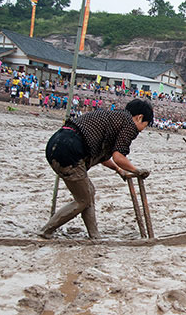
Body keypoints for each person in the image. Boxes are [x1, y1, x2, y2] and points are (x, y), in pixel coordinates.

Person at [39, 98, 154, 239]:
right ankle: (46, 230)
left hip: (58, 143)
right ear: (139, 117)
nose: (142, 130)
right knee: (83, 200)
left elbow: (104, 158)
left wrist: (119, 170)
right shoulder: (129, 123)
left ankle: (94, 235)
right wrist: (136, 171)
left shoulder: (114, 118)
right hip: (69, 149)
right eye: (145, 125)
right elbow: (118, 157)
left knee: (88, 193)